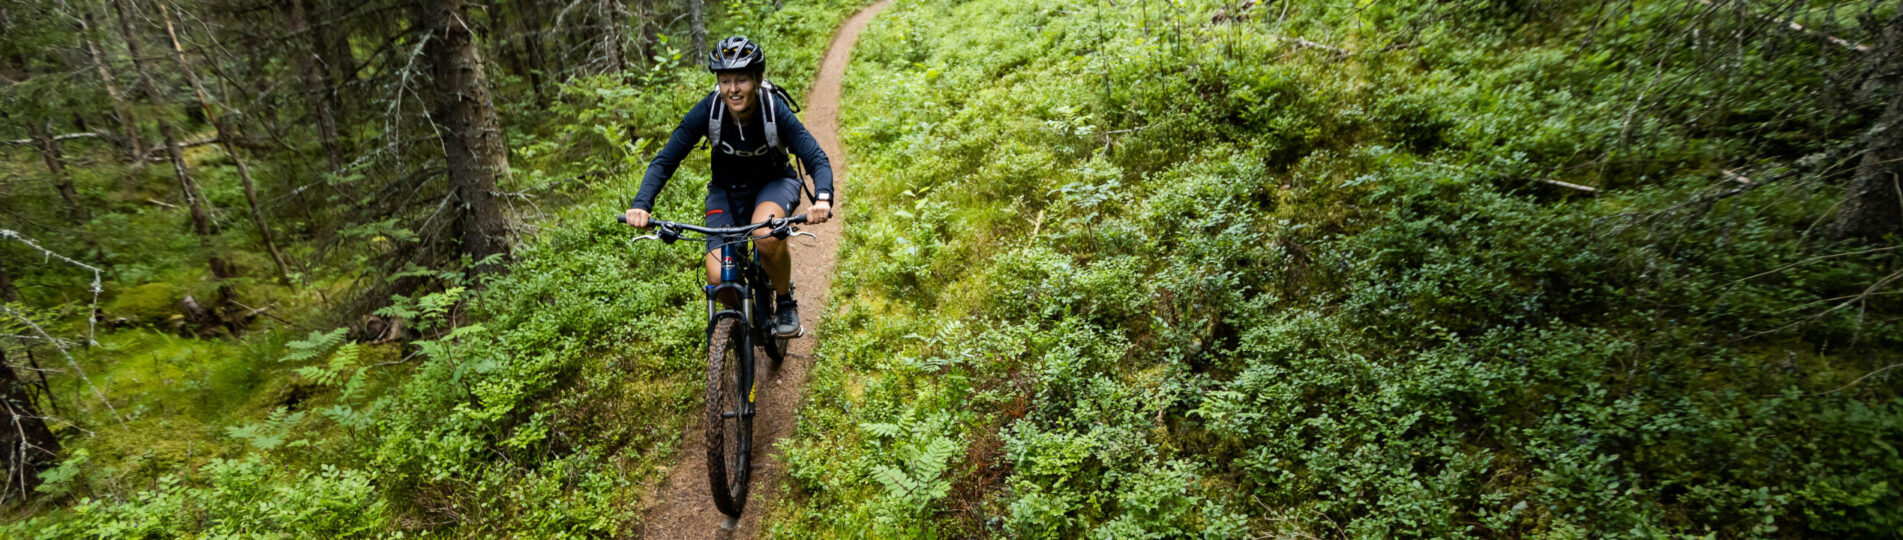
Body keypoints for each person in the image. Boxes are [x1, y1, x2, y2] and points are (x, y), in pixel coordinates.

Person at [625, 36, 833, 338]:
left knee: (764, 234)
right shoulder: (710, 111)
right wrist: (642, 204)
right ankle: (740, 330)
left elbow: (815, 156)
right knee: (717, 278)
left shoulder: (773, 109)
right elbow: (665, 159)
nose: (732, 89)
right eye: (725, 81)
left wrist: (823, 198)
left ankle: (785, 301)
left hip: (774, 184)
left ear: (757, 79)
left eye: (741, 80)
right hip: (726, 191)